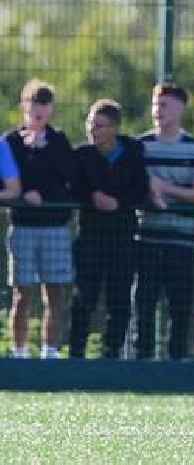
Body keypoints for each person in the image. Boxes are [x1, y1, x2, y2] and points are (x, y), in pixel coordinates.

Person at [135, 83, 194, 361]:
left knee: (180, 306)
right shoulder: (141, 146)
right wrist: (154, 189)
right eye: (154, 104)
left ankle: (177, 362)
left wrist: (163, 187)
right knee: (144, 305)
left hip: (183, 241)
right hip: (146, 238)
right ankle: (142, 361)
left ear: (180, 108)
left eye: (163, 105)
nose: (157, 110)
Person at [69, 99, 150, 359]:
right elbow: (73, 187)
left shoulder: (133, 154)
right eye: (91, 123)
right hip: (90, 236)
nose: (93, 129)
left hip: (122, 237)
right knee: (84, 296)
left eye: (100, 125)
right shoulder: (82, 155)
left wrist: (118, 203)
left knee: (119, 298)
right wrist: (91, 196)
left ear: (114, 128)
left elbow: (141, 190)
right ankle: (77, 352)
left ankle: (112, 351)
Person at [4, 79, 76, 359]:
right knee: (22, 295)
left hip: (55, 227)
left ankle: (50, 353)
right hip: (23, 226)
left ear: (51, 110)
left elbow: (68, 178)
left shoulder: (59, 141)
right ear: (24, 106)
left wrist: (44, 151)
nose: (39, 110)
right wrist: (30, 156)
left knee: (55, 294)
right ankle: (19, 353)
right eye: (34, 103)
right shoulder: (10, 142)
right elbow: (10, 184)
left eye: (45, 104)